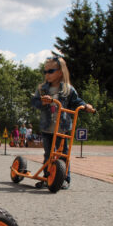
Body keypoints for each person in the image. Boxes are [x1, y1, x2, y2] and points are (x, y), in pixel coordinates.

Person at [31, 55, 94, 189]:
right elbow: (34, 101)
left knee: (64, 154)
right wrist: (42, 101)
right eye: (45, 71)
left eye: (50, 71)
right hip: (48, 128)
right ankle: (47, 177)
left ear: (60, 72)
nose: (47, 74)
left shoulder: (68, 89)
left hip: (62, 128)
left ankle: (65, 178)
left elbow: (77, 101)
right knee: (49, 154)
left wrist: (86, 106)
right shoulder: (42, 88)